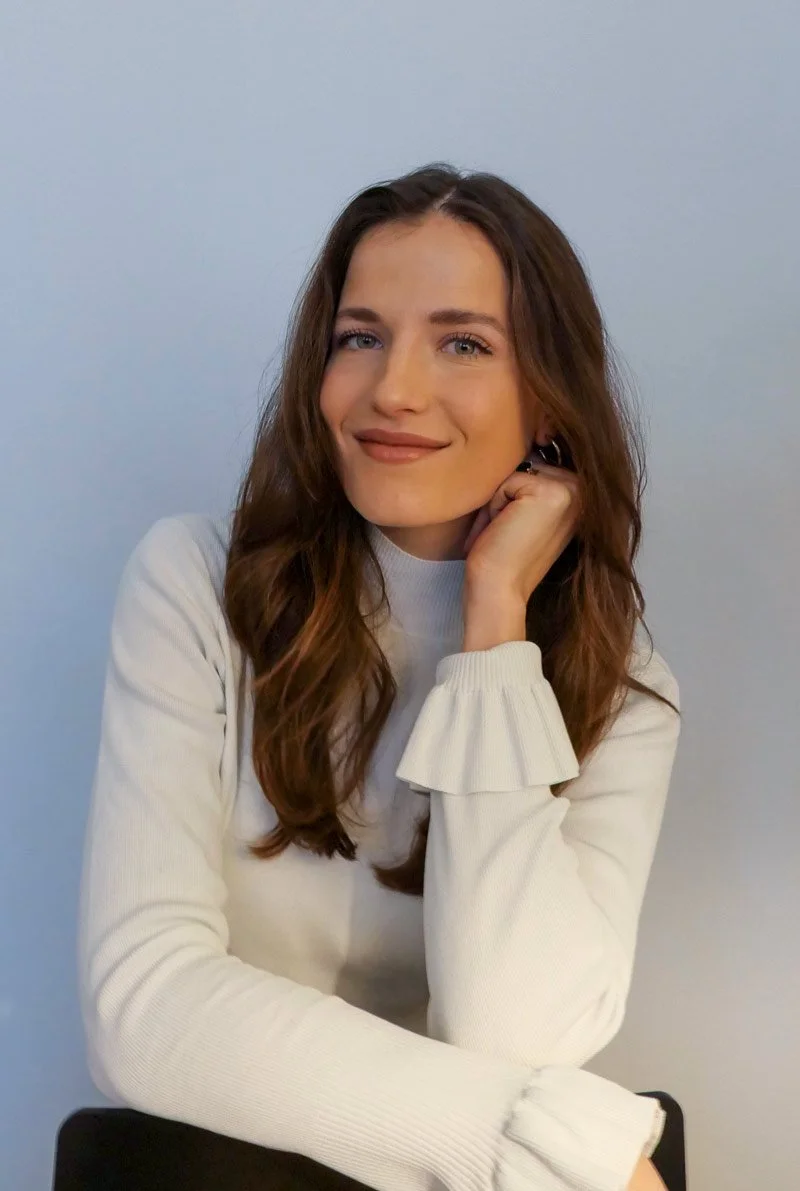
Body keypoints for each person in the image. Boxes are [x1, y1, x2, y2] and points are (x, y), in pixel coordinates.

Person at [78, 162, 681, 1191]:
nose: (392, 388)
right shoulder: (193, 585)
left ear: (549, 395)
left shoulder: (618, 689)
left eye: (462, 343)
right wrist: (544, 1148)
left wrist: (494, 635)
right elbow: (144, 1007)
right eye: (358, 336)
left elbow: (517, 1029)